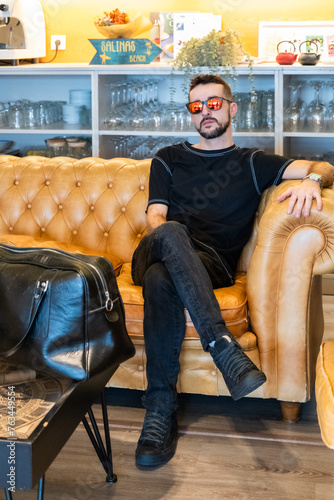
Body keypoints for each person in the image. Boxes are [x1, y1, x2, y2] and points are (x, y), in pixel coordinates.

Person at [131, 74, 334, 469]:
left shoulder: (253, 163)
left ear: (231, 108)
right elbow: (156, 216)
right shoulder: (168, 157)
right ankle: (224, 348)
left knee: (162, 281)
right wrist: (174, 244)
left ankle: (159, 411)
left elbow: (323, 166)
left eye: (213, 103)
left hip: (212, 267)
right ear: (190, 114)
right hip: (155, 248)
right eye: (196, 106)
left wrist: (311, 180)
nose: (205, 111)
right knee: (169, 238)